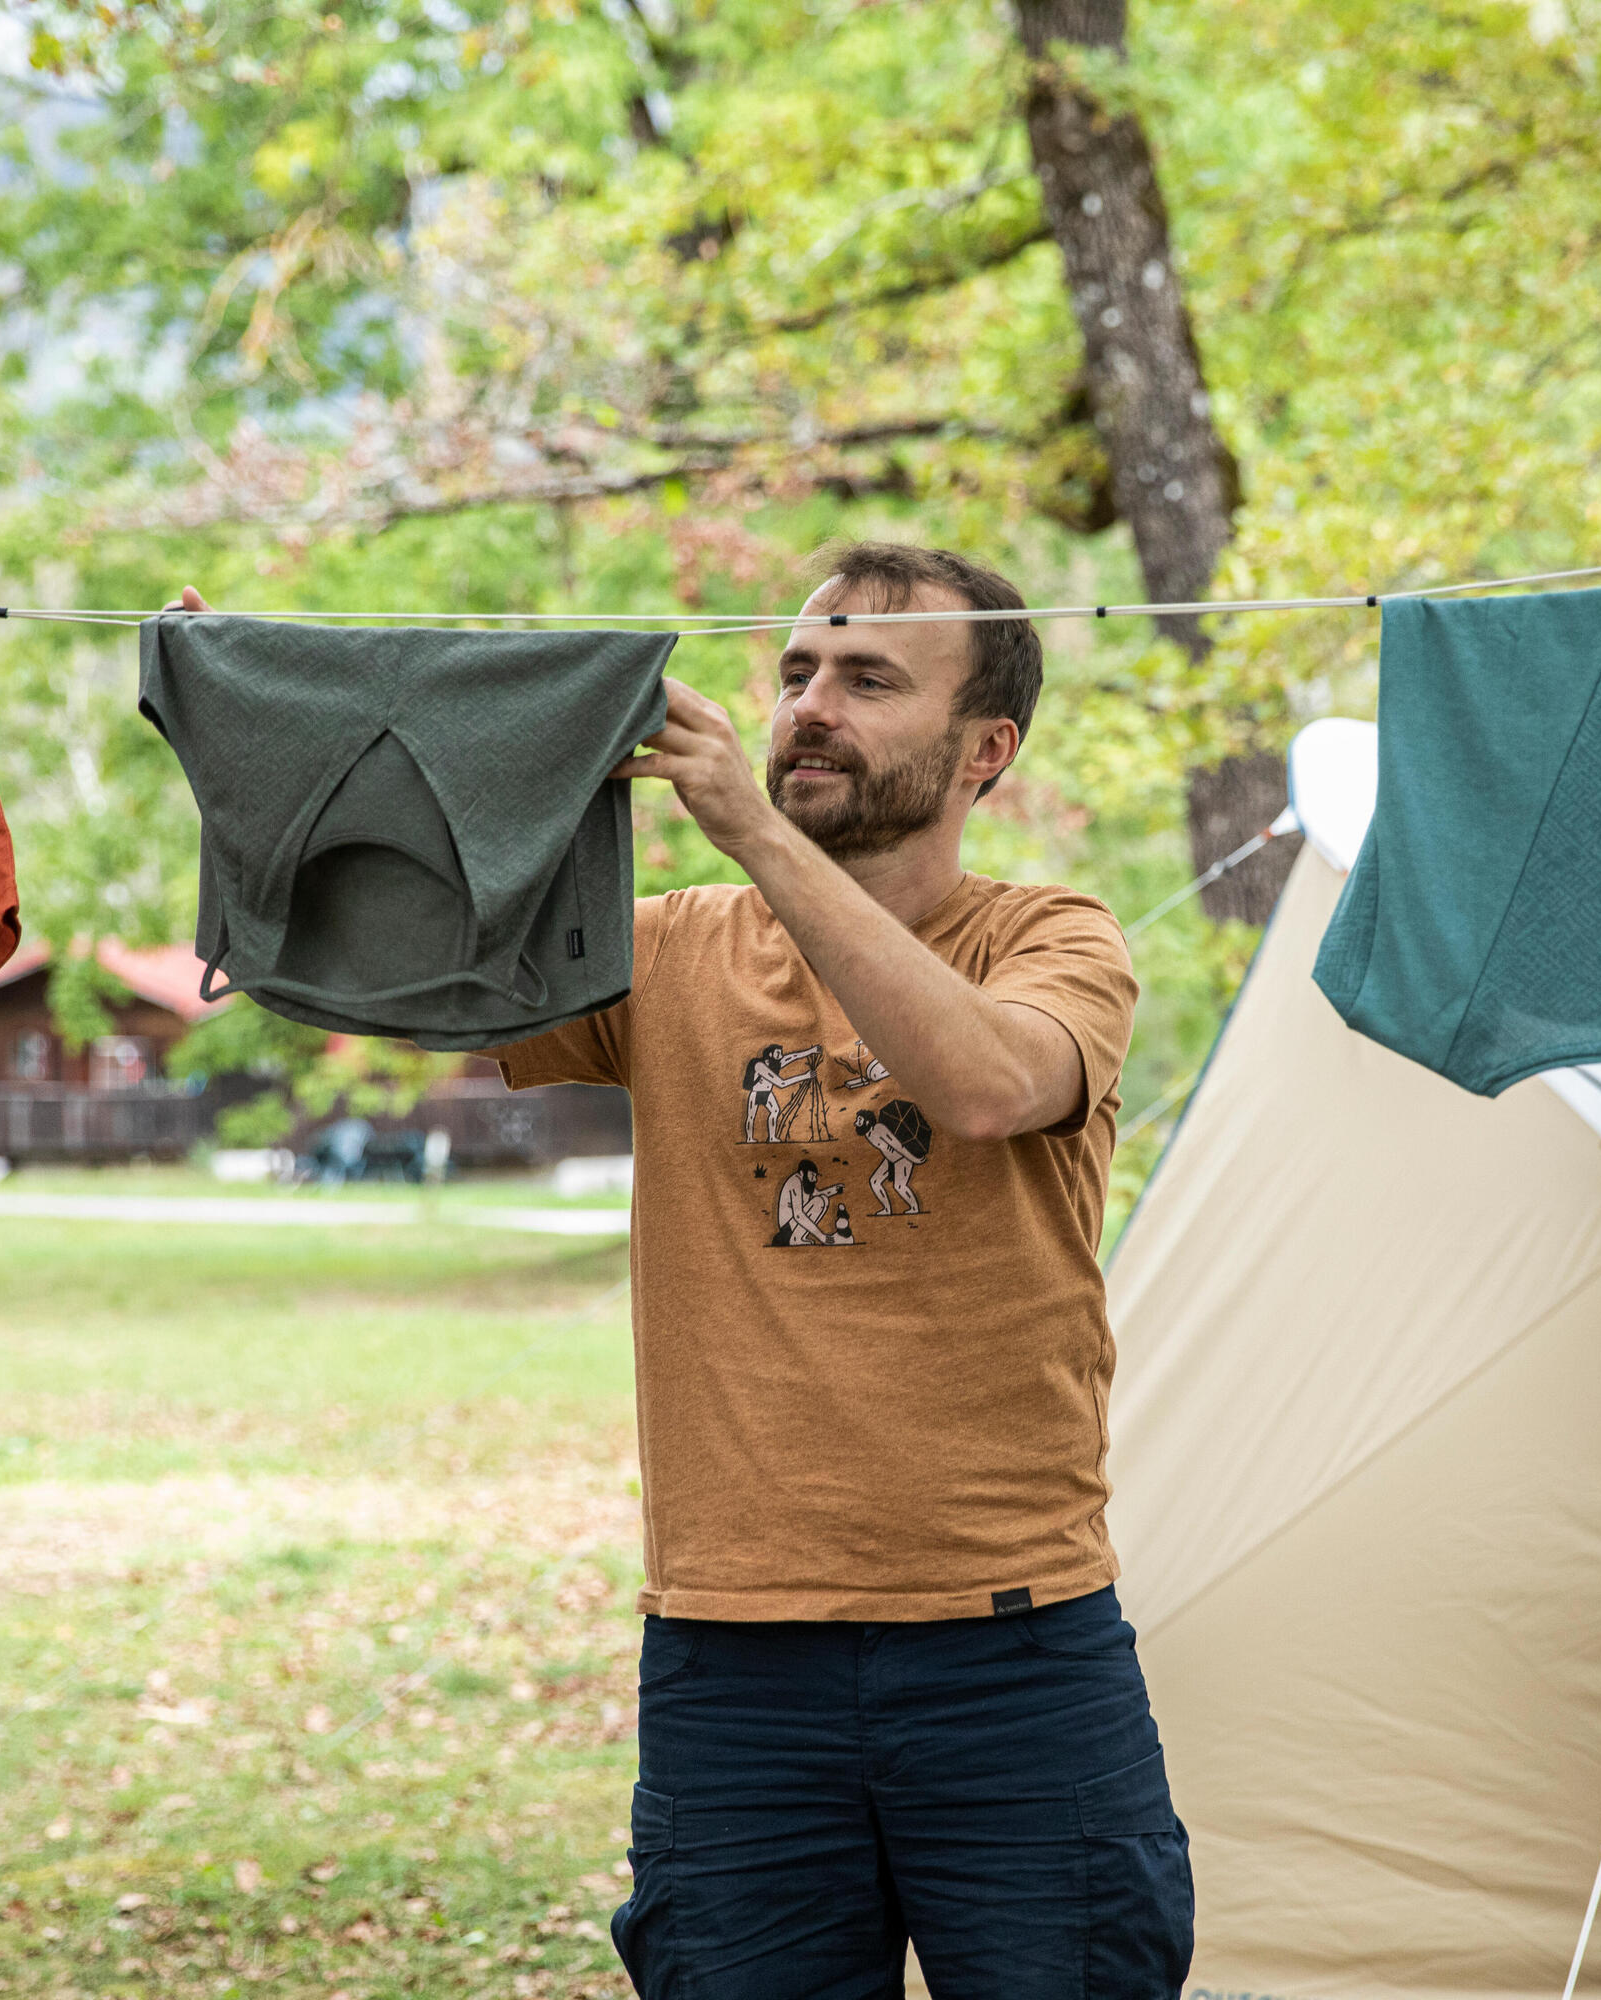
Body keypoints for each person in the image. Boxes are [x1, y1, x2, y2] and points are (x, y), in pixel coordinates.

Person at [172, 543, 1185, 1997]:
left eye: (870, 679)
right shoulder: (663, 952)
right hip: (733, 1660)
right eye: (796, 672)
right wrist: (257, 727)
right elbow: (376, 964)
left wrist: (756, 839)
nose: (808, 707)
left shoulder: (1052, 937)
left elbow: (986, 1085)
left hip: (1014, 1653)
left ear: (986, 751)